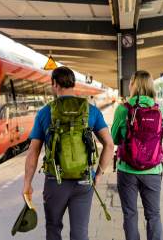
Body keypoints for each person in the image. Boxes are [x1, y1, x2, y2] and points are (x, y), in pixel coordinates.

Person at [23, 66, 114, 240]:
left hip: (54, 181)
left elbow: (33, 151)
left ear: (55, 84)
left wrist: (27, 183)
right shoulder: (90, 110)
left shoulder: (45, 112)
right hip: (84, 180)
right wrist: (99, 174)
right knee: (80, 234)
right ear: (74, 84)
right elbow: (109, 145)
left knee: (53, 228)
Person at [111, 70, 163, 240]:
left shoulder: (123, 109)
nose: (128, 85)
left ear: (134, 84)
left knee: (130, 214)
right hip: (153, 169)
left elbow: (114, 138)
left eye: (130, 82)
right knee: (154, 215)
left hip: (127, 169)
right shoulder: (159, 109)